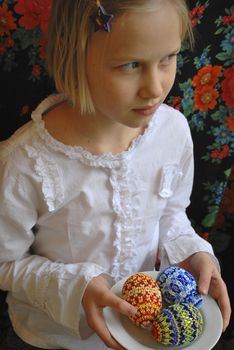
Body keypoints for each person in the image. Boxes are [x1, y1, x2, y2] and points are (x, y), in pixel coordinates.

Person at [0, 0, 231, 349]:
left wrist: (191, 251)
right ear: (74, 53)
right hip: (54, 336)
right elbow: (6, 262)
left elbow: (171, 212)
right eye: (132, 64)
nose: (155, 87)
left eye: (168, 57)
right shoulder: (25, 163)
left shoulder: (173, 131)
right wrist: (77, 287)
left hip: (140, 332)